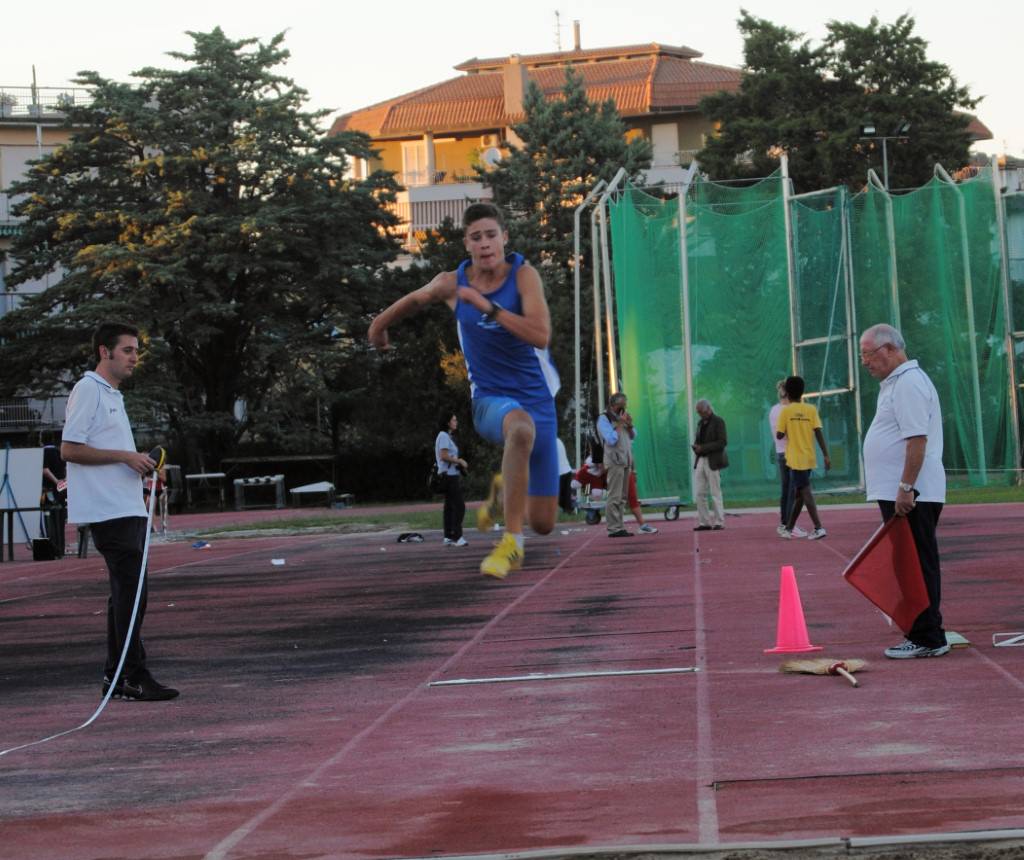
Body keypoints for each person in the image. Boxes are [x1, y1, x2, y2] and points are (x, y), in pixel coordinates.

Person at [368, 203, 559, 579]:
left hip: (538, 400)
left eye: (491, 235)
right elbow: (414, 300)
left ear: (505, 237)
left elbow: (540, 335)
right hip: (489, 400)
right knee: (519, 429)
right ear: (467, 244)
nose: (485, 244)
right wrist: (378, 327)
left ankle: (504, 492)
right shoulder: (452, 283)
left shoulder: (524, 277)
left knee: (545, 523)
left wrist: (489, 308)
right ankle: (511, 544)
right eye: (477, 237)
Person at [61, 322, 179, 701]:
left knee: (128, 593)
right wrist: (127, 457)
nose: (134, 357)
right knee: (131, 594)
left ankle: (119, 675)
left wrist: (137, 463)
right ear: (104, 352)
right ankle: (131, 675)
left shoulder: (112, 395)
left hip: (126, 507)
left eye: (135, 350)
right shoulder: (88, 390)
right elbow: (70, 449)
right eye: (127, 349)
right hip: (108, 511)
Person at [860, 323, 949, 659]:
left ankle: (928, 636)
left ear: (890, 349)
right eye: (862, 356)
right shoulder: (895, 383)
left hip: (912, 494)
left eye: (868, 354)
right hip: (905, 492)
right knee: (908, 562)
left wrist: (905, 488)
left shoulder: (909, 383)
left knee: (915, 563)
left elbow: (917, 441)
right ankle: (924, 631)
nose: (865, 362)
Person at [775, 376, 830, 540]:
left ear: (786, 392)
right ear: (802, 392)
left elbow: (779, 435)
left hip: (794, 458)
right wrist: (826, 455)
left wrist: (788, 428)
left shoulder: (785, 411)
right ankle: (789, 528)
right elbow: (818, 432)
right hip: (809, 457)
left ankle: (819, 527)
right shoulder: (811, 410)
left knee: (805, 492)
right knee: (799, 494)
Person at [574, 457, 658, 534]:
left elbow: (628, 455)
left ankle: (622, 527)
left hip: (618, 470)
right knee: (616, 498)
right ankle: (616, 528)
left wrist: (634, 471)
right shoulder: (589, 468)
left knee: (627, 498)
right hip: (613, 471)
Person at [767, 381, 806, 538]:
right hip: (792, 454)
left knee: (786, 490)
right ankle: (790, 525)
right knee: (793, 491)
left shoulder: (773, 410)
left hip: (780, 452)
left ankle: (784, 524)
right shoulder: (789, 411)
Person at [597, 393, 635, 537]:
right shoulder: (604, 419)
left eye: (625, 405)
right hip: (614, 461)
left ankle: (620, 526)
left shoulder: (623, 417)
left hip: (626, 460)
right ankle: (613, 528)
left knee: (622, 496)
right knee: (614, 495)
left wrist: (629, 425)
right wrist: (619, 423)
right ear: (613, 405)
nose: (624, 408)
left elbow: (633, 436)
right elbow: (611, 439)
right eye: (621, 405)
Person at [691, 399, 727, 530]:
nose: (700, 415)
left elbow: (722, 442)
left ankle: (719, 521)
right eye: (698, 413)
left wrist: (703, 448)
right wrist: (696, 447)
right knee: (700, 493)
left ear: (708, 409)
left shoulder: (719, 421)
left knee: (715, 492)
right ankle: (704, 522)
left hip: (713, 460)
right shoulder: (700, 423)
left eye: (702, 412)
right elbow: (698, 440)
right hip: (700, 460)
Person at [435, 412, 468, 547]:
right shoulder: (443, 435)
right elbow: (443, 455)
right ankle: (457, 536)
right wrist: (459, 461)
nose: (456, 422)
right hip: (449, 476)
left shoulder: (447, 436)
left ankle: (448, 536)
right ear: (447, 422)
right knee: (460, 506)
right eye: (454, 420)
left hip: (449, 474)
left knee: (449, 507)